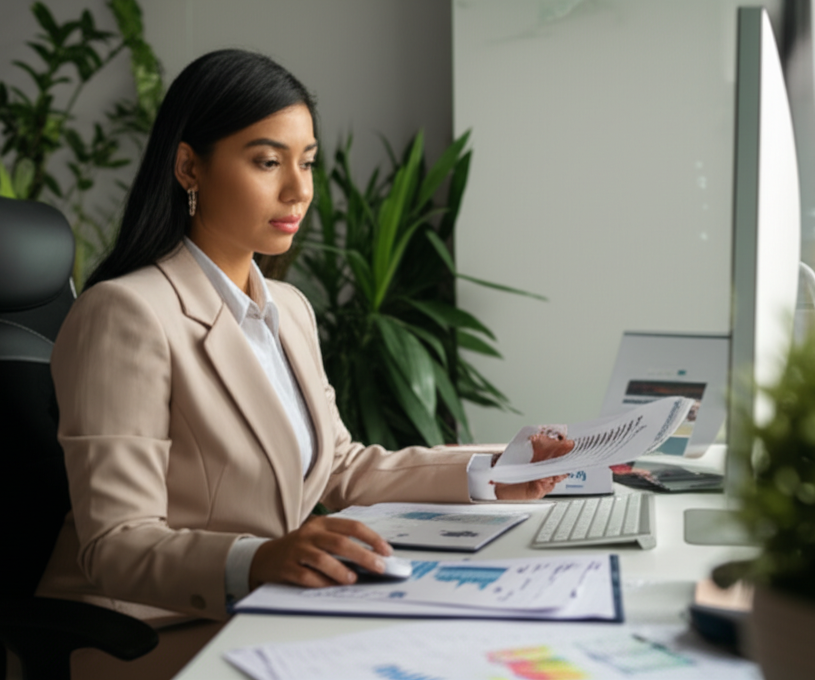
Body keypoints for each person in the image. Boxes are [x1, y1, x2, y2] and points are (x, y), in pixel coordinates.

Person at [35, 49, 565, 678]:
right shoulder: (126, 313)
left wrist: (493, 471)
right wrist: (258, 560)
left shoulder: (288, 307)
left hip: (270, 608)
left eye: (307, 162)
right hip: (147, 633)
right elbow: (114, 546)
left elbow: (341, 466)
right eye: (267, 162)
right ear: (188, 166)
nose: (299, 189)